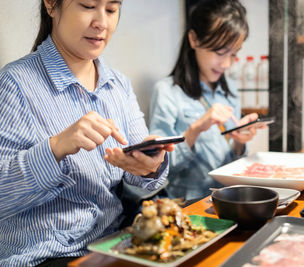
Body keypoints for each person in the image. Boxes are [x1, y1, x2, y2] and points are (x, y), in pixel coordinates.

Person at [0, 0, 172, 266]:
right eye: (88, 5)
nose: (102, 22)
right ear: (51, 5)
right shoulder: (16, 83)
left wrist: (150, 165)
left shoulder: (118, 86)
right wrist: (55, 147)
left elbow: (148, 180)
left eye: (112, 10)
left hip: (113, 244)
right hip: (46, 255)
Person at [149, 0, 265, 200]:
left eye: (233, 55)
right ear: (194, 39)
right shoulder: (167, 92)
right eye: (220, 52)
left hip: (227, 200)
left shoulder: (230, 92)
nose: (226, 63)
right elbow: (158, 168)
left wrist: (239, 141)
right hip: (187, 206)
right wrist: (196, 129)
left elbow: (232, 163)